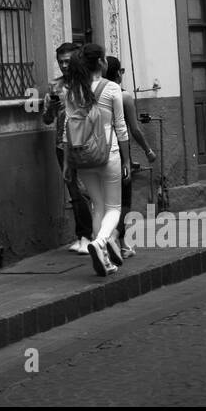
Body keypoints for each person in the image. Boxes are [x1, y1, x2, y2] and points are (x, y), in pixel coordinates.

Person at [62, 43, 130, 276]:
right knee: (114, 208)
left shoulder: (72, 91)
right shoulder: (111, 89)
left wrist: (67, 163)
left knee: (97, 205)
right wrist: (127, 159)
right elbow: (121, 128)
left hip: (82, 158)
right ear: (101, 62)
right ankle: (100, 242)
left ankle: (106, 261)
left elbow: (66, 131)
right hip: (108, 154)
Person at [102, 56, 157, 258]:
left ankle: (108, 241)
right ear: (118, 73)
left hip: (99, 152)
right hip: (119, 153)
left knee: (105, 202)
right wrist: (148, 150)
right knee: (124, 201)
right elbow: (133, 129)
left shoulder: (96, 93)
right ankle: (119, 241)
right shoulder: (123, 97)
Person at [43, 42, 91, 252]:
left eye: (67, 61)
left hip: (84, 143)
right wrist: (53, 108)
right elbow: (46, 119)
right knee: (73, 191)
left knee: (85, 190)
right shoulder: (55, 86)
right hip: (62, 144)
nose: (63, 66)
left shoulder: (87, 83)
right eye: (60, 62)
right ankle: (83, 235)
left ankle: (92, 235)